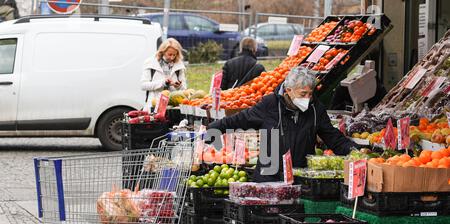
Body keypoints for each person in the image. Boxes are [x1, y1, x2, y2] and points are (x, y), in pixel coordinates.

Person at [207, 67, 357, 182]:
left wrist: (355, 152)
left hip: (298, 177)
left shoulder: (315, 109)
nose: (308, 98)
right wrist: (212, 129)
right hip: (268, 176)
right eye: (303, 94)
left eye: (310, 94)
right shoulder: (270, 104)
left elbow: (332, 136)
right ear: (288, 90)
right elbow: (239, 119)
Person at [141, 38, 187, 105]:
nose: (172, 57)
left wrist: (178, 86)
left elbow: (184, 89)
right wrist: (163, 83)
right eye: (170, 54)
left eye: (174, 55)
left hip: (172, 107)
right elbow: (143, 85)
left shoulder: (179, 66)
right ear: (163, 51)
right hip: (154, 105)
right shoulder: (150, 63)